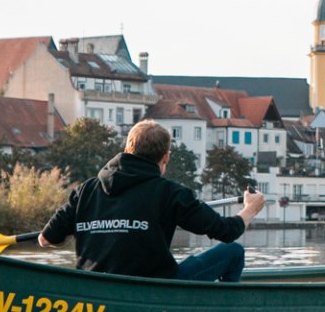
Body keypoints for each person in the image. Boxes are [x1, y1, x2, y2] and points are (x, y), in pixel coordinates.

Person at [39, 120, 265, 282]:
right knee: (233, 252)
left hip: (94, 289)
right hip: (154, 287)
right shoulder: (170, 193)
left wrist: (79, 229)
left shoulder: (85, 191)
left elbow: (44, 240)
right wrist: (249, 209)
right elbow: (226, 231)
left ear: (127, 149)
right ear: (166, 156)